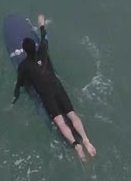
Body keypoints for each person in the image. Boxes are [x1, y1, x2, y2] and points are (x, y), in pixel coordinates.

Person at [11, 14, 98, 160]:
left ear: (25, 51)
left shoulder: (23, 66)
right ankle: (85, 139)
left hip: (46, 94)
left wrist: (13, 100)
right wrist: (41, 24)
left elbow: (19, 85)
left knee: (59, 120)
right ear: (35, 47)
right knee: (71, 114)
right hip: (57, 87)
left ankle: (76, 144)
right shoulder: (43, 50)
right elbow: (45, 37)